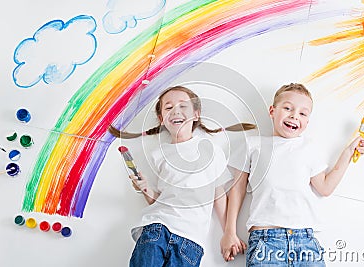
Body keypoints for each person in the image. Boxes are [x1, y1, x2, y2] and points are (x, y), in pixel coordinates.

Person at [220, 83, 364, 266]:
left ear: (307, 122)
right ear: (272, 111)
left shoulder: (309, 148)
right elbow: (237, 190)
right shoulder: (253, 145)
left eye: (302, 113)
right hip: (265, 242)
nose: (294, 116)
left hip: (305, 242)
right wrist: (229, 232)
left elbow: (325, 187)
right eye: (288, 108)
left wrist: (348, 153)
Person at [109, 85, 255, 267]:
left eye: (183, 106)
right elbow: (162, 201)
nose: (176, 111)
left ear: (196, 114)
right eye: (169, 108)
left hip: (190, 241)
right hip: (157, 228)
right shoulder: (158, 155)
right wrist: (146, 189)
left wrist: (229, 232)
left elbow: (219, 196)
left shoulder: (211, 151)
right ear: (162, 119)